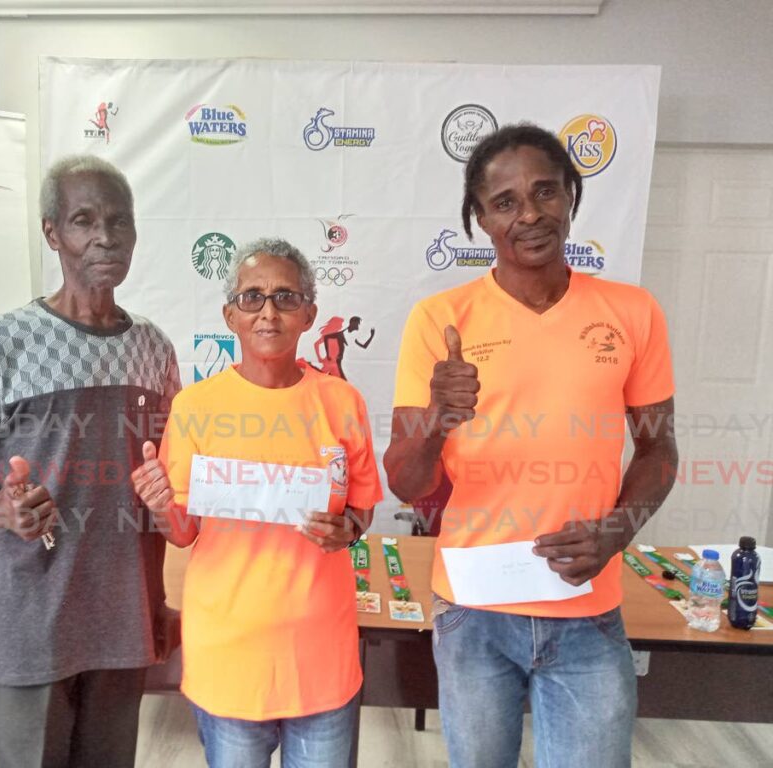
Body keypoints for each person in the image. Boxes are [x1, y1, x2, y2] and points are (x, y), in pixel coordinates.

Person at [384, 124, 677, 768]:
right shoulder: (439, 320)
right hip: (473, 612)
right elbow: (404, 482)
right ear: (479, 218)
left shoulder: (633, 312)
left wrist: (616, 533)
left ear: (572, 196)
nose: (531, 213)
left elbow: (659, 451)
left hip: (586, 607)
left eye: (547, 191)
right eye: (506, 201)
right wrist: (436, 417)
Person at [0, 154, 180, 768]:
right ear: (53, 233)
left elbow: (167, 481)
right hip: (31, 615)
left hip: (125, 609)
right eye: (83, 220)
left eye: (120, 221)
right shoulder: (2, 341)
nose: (105, 237)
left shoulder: (154, 348)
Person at [131, 238, 383, 767]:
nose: (268, 311)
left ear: (310, 314)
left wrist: (350, 530)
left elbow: (361, 507)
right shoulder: (196, 407)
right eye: (252, 297)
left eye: (286, 297)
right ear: (230, 314)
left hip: (321, 654)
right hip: (230, 657)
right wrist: (159, 504)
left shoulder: (342, 402)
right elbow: (182, 530)